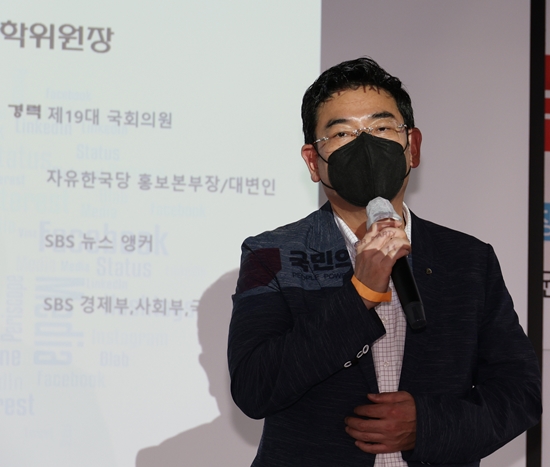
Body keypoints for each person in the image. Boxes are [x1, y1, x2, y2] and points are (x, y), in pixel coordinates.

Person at [227, 57, 541, 467]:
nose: (365, 145)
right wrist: (358, 294)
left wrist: (428, 426)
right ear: (313, 161)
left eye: (381, 128)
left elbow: (520, 394)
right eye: (342, 133)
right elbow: (254, 388)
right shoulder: (271, 254)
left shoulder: (468, 260)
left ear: (412, 146)